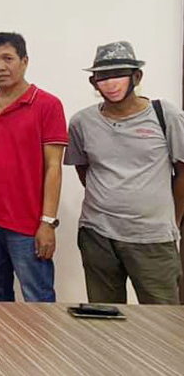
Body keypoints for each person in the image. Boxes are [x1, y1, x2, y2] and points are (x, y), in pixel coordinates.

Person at [64, 41, 183, 304]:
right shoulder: (81, 122)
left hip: (153, 238)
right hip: (97, 236)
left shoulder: (166, 114)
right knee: (105, 319)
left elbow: (182, 172)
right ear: (93, 83)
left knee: (163, 319)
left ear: (136, 76)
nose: (111, 82)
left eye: (118, 74)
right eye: (103, 76)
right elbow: (84, 169)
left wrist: (172, 219)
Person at [0, 32, 67, 302]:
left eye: (8, 58)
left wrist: (47, 223)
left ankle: (40, 347)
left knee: (38, 298)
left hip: (27, 224)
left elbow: (54, 167)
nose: (0, 67)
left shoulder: (47, 105)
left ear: (24, 61)